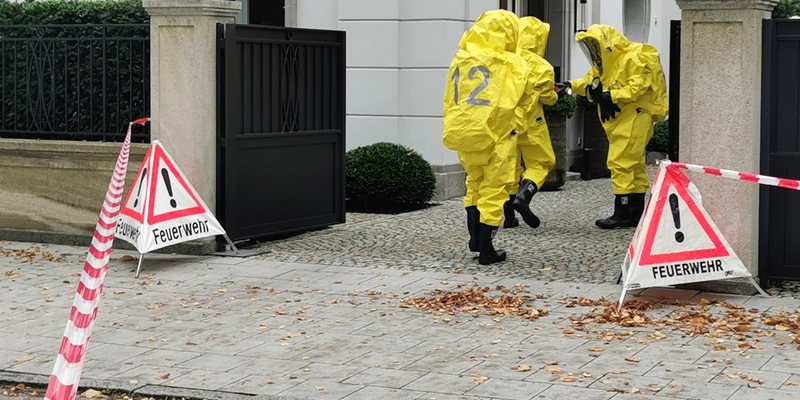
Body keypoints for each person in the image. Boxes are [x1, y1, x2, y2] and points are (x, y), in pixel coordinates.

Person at [442, 10, 535, 265]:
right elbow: (522, 97)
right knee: (493, 190)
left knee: (473, 183)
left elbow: (450, 97)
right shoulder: (512, 62)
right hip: (497, 135)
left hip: (465, 132)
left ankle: (474, 238)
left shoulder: (461, 58)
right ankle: (486, 248)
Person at [558, 24, 668, 229]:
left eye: (595, 45)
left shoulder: (633, 58)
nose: (594, 51)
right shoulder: (605, 65)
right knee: (633, 166)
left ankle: (622, 213)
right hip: (622, 120)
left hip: (636, 118)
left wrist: (611, 96)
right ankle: (635, 214)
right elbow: (590, 82)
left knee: (620, 163)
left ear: (607, 45)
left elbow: (637, 88)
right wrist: (570, 85)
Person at [504, 16, 561, 229]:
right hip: (531, 121)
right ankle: (523, 198)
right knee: (541, 162)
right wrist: (556, 94)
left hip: (507, 121)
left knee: (510, 165)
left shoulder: (507, 59)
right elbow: (548, 97)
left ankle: (509, 217)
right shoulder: (543, 67)